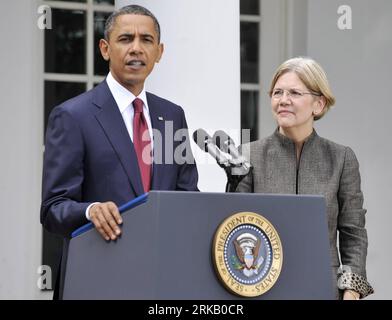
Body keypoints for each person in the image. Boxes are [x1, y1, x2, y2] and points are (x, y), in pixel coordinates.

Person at [41, 4, 198, 260]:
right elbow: (52, 209)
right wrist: (90, 211)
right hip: (100, 273)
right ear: (105, 49)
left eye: (146, 40)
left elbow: (187, 196)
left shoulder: (172, 115)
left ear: (159, 52)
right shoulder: (72, 116)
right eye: (125, 39)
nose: (136, 48)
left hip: (161, 273)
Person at [236, 57, 373, 300]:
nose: (283, 100)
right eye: (277, 92)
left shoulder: (341, 158)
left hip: (324, 288)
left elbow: (353, 232)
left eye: (294, 93)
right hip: (261, 286)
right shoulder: (247, 155)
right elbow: (236, 226)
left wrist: (351, 290)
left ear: (318, 104)